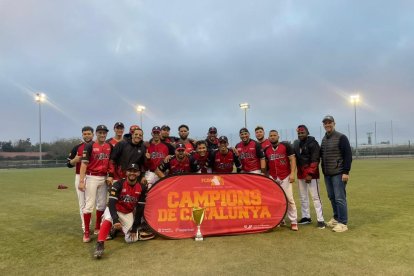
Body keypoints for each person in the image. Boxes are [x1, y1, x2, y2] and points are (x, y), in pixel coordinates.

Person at [93, 163, 153, 259]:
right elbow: (112, 203)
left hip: (127, 212)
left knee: (131, 239)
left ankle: (116, 230)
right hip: (114, 210)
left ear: (138, 173)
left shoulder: (142, 187)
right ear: (126, 172)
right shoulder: (118, 184)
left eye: (135, 171)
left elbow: (140, 208)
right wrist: (115, 219)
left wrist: (134, 228)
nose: (132, 173)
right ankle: (100, 244)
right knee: (108, 218)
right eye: (130, 171)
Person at [78, 125, 112, 242]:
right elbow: (84, 164)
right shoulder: (90, 145)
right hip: (91, 177)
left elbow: (110, 163)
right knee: (89, 205)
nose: (102, 135)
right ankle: (87, 232)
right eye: (100, 132)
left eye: (104, 133)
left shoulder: (109, 146)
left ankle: (98, 227)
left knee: (102, 204)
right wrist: (81, 181)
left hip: (103, 177)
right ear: (96, 133)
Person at [320, 115, 352, 233]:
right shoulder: (324, 139)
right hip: (328, 174)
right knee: (332, 197)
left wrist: (346, 172)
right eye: (325, 123)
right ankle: (336, 218)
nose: (327, 125)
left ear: (334, 123)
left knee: (340, 198)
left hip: (339, 173)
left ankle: (343, 223)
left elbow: (348, 155)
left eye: (329, 122)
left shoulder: (341, 137)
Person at [264, 130, 298, 231]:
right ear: (268, 137)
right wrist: (266, 176)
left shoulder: (286, 146)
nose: (273, 137)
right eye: (271, 136)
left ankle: (293, 221)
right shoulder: (266, 149)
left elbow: (292, 159)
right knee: (275, 200)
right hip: (273, 177)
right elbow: (266, 165)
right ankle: (279, 219)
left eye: (274, 135)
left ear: (278, 136)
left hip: (285, 176)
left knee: (289, 199)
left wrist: (292, 173)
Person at [293, 125, 325, 229]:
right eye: (299, 133)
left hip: (311, 175)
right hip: (301, 174)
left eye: (302, 133)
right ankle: (306, 217)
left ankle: (321, 220)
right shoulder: (297, 143)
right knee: (303, 197)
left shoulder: (313, 143)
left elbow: (315, 159)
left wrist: (310, 174)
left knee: (315, 197)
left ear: (307, 133)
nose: (300, 135)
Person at [66, 126, 94, 234]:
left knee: (94, 203)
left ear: (93, 134)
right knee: (82, 203)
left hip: (93, 176)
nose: (87, 135)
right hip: (79, 176)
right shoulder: (77, 147)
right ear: (82, 135)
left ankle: (98, 226)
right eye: (85, 134)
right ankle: (85, 227)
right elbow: (68, 164)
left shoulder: (97, 146)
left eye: (89, 133)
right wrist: (75, 160)